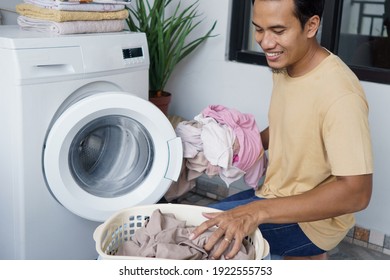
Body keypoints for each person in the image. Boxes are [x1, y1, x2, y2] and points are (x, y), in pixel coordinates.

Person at [189, 0, 373, 260]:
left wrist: (257, 212)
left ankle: (308, 255)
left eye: (277, 30)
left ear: (311, 26)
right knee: (194, 224)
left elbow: (357, 193)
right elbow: (290, 124)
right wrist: (241, 144)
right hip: (274, 194)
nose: (265, 42)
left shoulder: (340, 95)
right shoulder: (287, 64)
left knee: (199, 244)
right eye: (259, 29)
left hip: (312, 224)